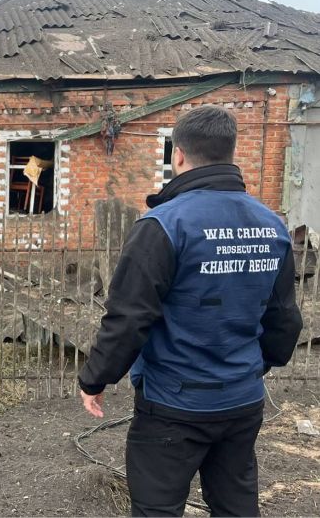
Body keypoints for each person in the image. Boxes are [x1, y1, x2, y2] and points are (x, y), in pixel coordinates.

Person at [78, 105, 303, 517]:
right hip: (242, 402)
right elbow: (283, 317)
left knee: (157, 509)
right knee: (236, 507)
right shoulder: (272, 225)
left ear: (177, 155)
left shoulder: (163, 224)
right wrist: (254, 366)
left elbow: (129, 316)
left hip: (173, 407)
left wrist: (96, 377)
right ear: (231, 152)